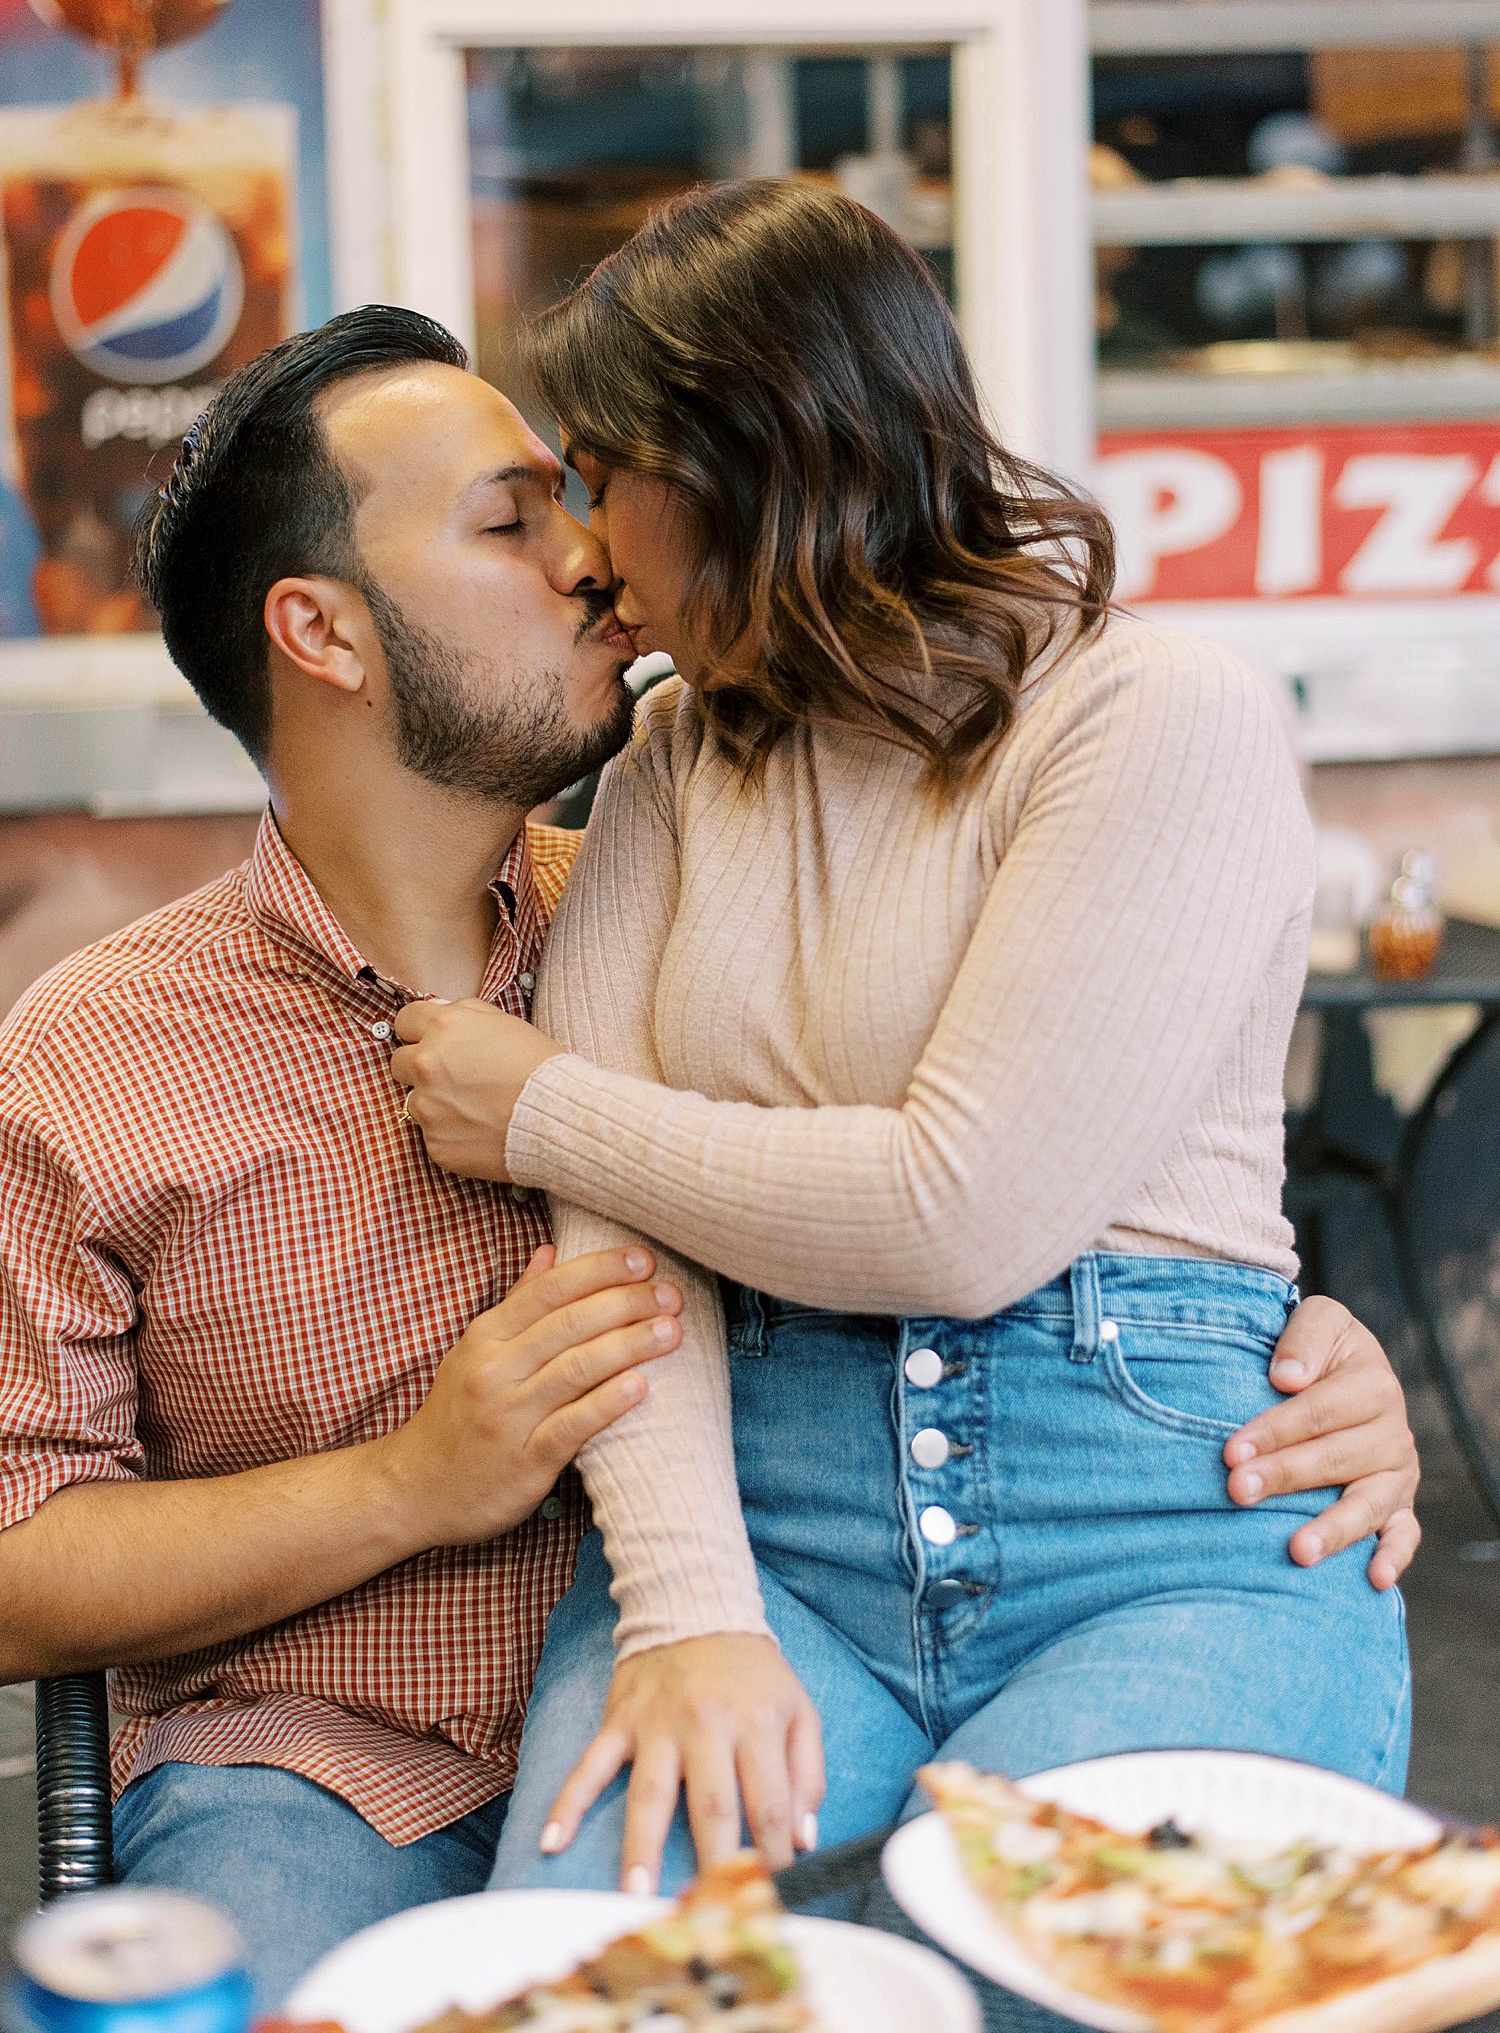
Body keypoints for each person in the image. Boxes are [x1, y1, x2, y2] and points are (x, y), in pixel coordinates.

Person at [386, 183, 1419, 1938]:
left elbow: (963, 1211)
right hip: (771, 1517)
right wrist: (693, 1611)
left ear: (743, 458)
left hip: (1157, 1516)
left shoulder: (1152, 717)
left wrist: (549, 1107)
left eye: (598, 472)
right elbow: (618, 1259)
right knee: (586, 1964)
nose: (583, 546)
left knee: (1032, 1967)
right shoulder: (667, 770)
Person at [0, 307, 679, 2010]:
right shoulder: (89, 1058)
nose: (596, 563)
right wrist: (409, 1481)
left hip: (711, 1702)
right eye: (512, 522)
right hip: (309, 1772)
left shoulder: (682, 923)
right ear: (324, 631)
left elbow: (963, 1190)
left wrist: (1272, 1345)